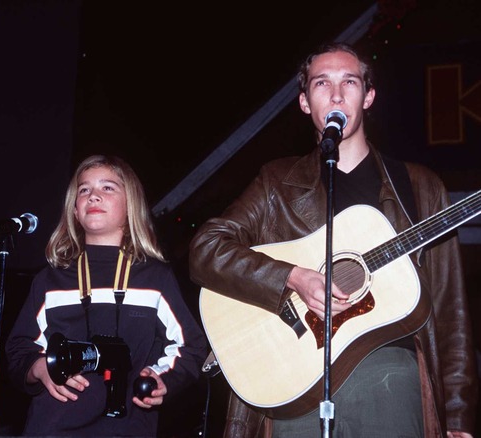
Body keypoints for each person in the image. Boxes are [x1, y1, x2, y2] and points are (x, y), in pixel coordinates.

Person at [188, 42, 478, 437]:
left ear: (369, 96)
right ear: (305, 102)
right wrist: (292, 277)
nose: (337, 94)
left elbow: (450, 309)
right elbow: (207, 248)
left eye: (350, 82)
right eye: (322, 83)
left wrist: (459, 418)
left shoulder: (419, 187)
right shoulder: (276, 181)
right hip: (295, 379)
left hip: (390, 374)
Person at [5, 154, 207, 436]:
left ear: (130, 206)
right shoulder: (50, 280)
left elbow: (191, 347)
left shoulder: (155, 279)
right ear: (74, 210)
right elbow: (18, 349)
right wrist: (38, 368)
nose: (93, 196)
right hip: (51, 429)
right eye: (84, 189)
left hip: (126, 429)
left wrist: (163, 379)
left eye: (107, 188)